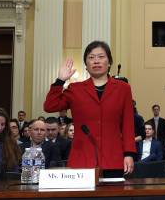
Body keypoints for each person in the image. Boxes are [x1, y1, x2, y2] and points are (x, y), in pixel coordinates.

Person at [44, 41, 136, 177]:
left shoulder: (123, 88)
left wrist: (128, 154)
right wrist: (60, 81)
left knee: (114, 197)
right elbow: (50, 106)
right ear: (86, 65)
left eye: (101, 57)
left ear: (109, 62)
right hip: (82, 158)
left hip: (114, 158)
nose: (96, 61)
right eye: (91, 58)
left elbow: (128, 124)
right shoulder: (75, 89)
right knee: (83, 198)